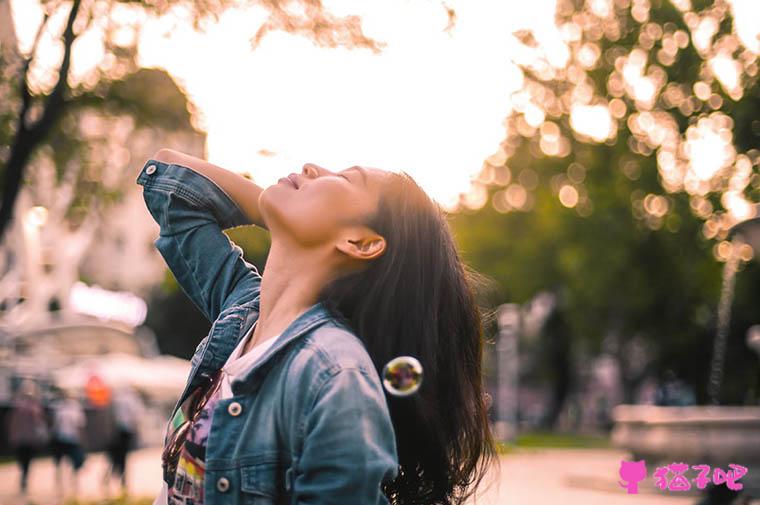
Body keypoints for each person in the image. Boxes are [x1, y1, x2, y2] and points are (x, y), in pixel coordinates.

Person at [138, 149, 497, 505]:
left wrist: (292, 210)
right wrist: (277, 208)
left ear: (361, 242)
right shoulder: (242, 313)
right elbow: (170, 187)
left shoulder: (336, 375)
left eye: (344, 178)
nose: (311, 166)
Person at [7, 379, 49, 495]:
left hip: (21, 439)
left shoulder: (18, 406)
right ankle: (24, 478)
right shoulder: (35, 407)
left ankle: (23, 477)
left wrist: (12, 436)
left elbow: (12, 423)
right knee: (27, 461)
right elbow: (39, 423)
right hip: (29, 440)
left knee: (23, 460)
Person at [105, 384, 143, 495]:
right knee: (122, 458)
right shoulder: (132, 400)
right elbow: (136, 416)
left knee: (115, 458)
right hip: (126, 432)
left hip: (116, 432)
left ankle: (111, 480)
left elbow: (111, 417)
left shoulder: (116, 399)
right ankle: (122, 482)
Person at [49, 388, 87, 497]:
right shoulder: (70, 408)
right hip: (67, 439)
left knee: (64, 464)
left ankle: (66, 485)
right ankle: (68, 485)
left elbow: (55, 425)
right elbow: (80, 426)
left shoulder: (61, 407)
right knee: (67, 464)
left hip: (65, 439)